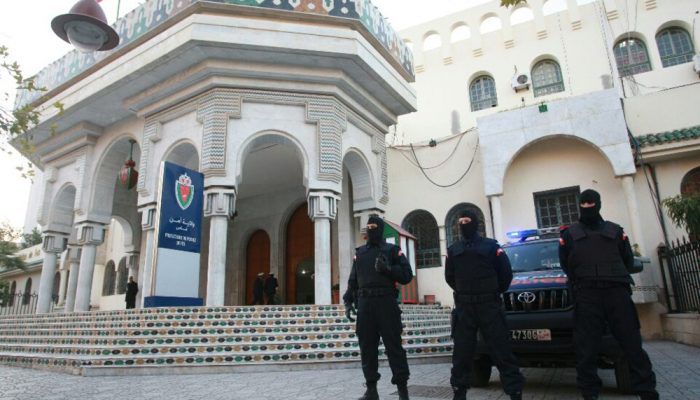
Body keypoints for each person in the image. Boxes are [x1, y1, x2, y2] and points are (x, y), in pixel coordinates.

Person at [559, 189, 658, 400]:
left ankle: (647, 392)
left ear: (598, 204)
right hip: (587, 294)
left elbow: (627, 261)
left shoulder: (616, 231)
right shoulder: (569, 234)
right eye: (584, 204)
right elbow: (567, 265)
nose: (587, 207)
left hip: (616, 294)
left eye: (591, 203)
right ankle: (590, 393)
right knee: (586, 349)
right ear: (579, 205)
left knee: (632, 345)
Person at [445, 210, 524, 400]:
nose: (463, 224)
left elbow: (505, 274)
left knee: (502, 351)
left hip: (489, 306)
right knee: (462, 354)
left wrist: (490, 292)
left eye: (467, 220)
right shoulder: (453, 250)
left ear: (475, 223)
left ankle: (514, 391)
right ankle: (459, 392)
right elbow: (450, 277)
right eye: (460, 221)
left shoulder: (491, 246)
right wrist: (467, 293)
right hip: (465, 308)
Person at [343, 216, 413, 400]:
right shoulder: (360, 253)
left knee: (394, 347)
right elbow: (353, 280)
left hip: (386, 304)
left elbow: (407, 275)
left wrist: (389, 269)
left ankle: (402, 391)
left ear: (380, 229)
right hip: (365, 306)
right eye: (368, 227)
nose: (371, 229)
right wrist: (348, 300)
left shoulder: (392, 250)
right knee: (367, 349)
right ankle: (371, 390)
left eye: (374, 226)